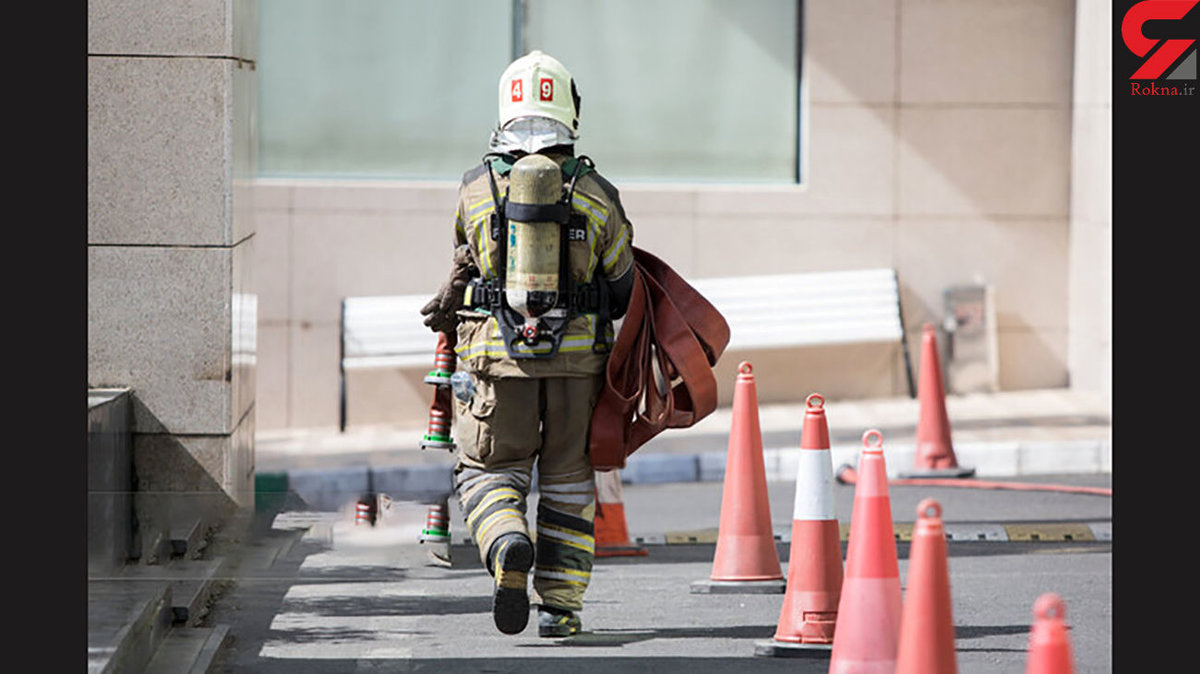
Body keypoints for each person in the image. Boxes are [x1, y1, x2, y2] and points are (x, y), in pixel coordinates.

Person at [420, 50, 635, 638]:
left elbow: (464, 266)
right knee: (569, 484)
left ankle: (508, 542)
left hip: (495, 365)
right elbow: (621, 288)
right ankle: (561, 610)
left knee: (488, 471)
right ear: (569, 111)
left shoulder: (474, 190)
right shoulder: (595, 192)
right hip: (578, 373)